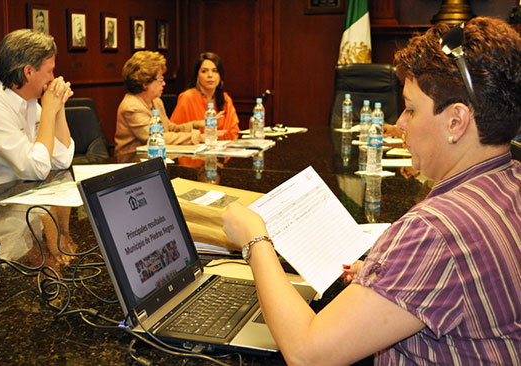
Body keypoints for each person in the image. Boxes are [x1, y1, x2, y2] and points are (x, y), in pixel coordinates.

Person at [222, 17, 521, 366]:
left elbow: (307, 352)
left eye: (410, 108)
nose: (401, 124)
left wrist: (255, 240)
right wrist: (390, 277)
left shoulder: (435, 230)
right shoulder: (510, 180)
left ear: (456, 121)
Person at [0, 29, 74, 192]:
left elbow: (62, 160)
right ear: (28, 72)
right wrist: (48, 110)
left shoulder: (30, 100)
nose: (53, 78)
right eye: (49, 71)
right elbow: (37, 169)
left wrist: (58, 107)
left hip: (21, 197)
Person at [115, 51, 207, 155]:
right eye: (160, 79)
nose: (164, 83)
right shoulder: (131, 107)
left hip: (154, 158)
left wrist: (196, 125)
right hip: (132, 162)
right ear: (145, 82)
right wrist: (196, 137)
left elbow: (170, 128)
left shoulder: (156, 101)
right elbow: (157, 138)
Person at [171, 52, 240, 141]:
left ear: (220, 76)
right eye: (204, 71)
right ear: (197, 76)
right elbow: (175, 132)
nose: (210, 75)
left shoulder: (225, 99)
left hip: (223, 151)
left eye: (215, 71)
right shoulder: (187, 97)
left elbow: (233, 132)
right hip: (194, 151)